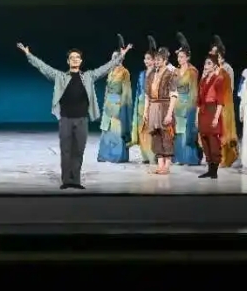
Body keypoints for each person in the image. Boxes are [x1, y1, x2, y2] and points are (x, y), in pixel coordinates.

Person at [19, 38, 131, 188]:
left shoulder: (89, 76)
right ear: (68, 61)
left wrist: (121, 56)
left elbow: (105, 68)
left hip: (82, 120)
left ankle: (76, 180)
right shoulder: (60, 76)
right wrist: (29, 55)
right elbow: (43, 67)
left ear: (81, 61)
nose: (75, 59)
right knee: (66, 151)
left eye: (77, 57)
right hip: (65, 119)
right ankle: (66, 181)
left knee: (78, 151)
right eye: (72, 58)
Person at [96, 34, 133, 163]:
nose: (113, 60)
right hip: (109, 103)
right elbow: (107, 89)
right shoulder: (111, 72)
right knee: (107, 129)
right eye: (112, 58)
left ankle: (117, 156)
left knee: (117, 130)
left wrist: (123, 106)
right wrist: (105, 104)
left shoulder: (124, 72)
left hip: (118, 102)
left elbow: (126, 92)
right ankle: (106, 154)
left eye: (115, 58)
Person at [142, 46, 178, 175]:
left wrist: (169, 113)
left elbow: (174, 94)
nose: (156, 62)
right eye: (155, 60)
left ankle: (167, 166)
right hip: (153, 106)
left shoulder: (170, 73)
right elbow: (147, 95)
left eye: (159, 60)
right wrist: (145, 111)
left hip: (164, 106)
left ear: (165, 60)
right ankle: (160, 164)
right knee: (156, 135)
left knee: (166, 135)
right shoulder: (151, 74)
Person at [172, 33, 202, 166]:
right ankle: (180, 157)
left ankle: (190, 158)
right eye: (178, 57)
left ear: (188, 57)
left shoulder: (192, 71)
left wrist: (191, 108)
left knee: (187, 131)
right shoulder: (176, 71)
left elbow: (194, 91)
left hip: (188, 103)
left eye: (182, 57)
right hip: (177, 103)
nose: (179, 59)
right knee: (178, 131)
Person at [196, 53, 227, 178]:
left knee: (213, 141)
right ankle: (209, 168)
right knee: (204, 140)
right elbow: (199, 101)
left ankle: (214, 170)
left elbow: (220, 101)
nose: (206, 66)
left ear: (215, 66)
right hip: (203, 111)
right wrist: (196, 117)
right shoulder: (203, 80)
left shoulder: (218, 79)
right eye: (205, 63)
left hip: (212, 110)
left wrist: (216, 118)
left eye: (209, 63)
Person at [211, 35, 238, 167]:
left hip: (225, 103)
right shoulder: (212, 68)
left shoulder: (228, 69)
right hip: (213, 103)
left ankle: (226, 157)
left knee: (225, 130)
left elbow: (230, 88)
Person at [130, 37, 157, 165]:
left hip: (153, 105)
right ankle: (145, 156)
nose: (147, 61)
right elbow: (138, 91)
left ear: (155, 60)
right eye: (145, 59)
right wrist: (136, 106)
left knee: (151, 130)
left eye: (149, 59)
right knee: (142, 130)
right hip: (141, 105)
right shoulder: (142, 74)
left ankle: (153, 156)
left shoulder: (157, 74)